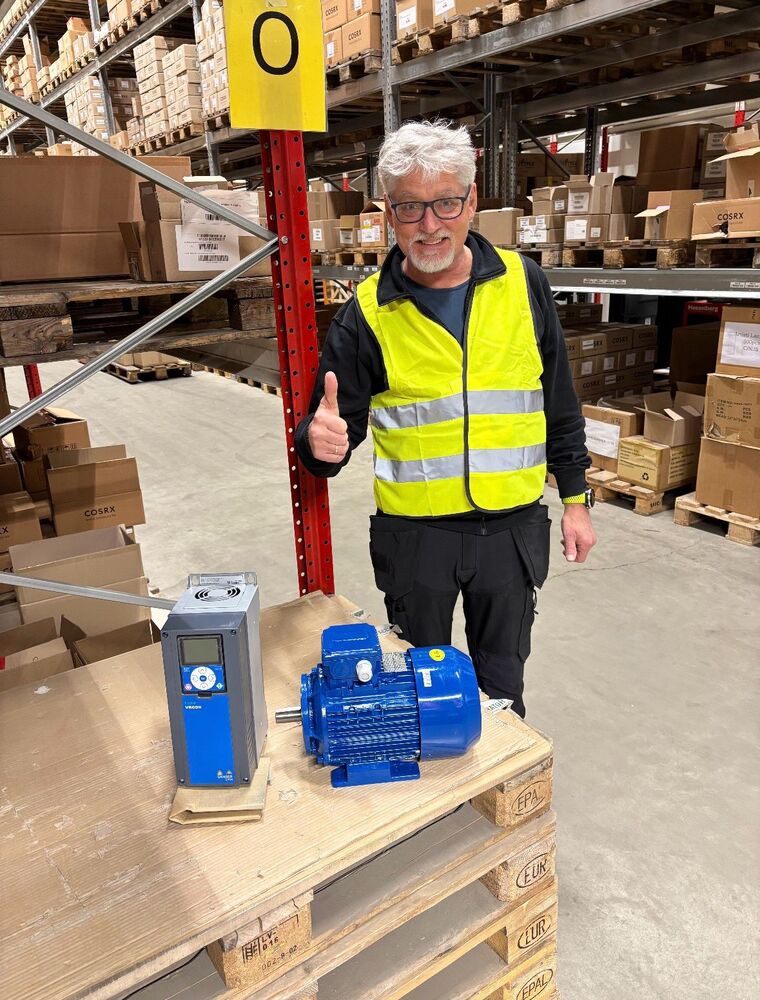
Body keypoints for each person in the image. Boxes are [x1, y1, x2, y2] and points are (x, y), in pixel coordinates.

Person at [295, 120, 596, 718]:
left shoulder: (523, 284)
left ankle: (501, 772)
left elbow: (558, 402)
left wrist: (576, 499)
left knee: (503, 688)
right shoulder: (366, 313)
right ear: (389, 213)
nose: (429, 225)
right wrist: (317, 443)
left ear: (471, 201)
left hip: (511, 530)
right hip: (416, 538)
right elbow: (330, 430)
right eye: (410, 207)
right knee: (417, 693)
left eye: (445, 203)